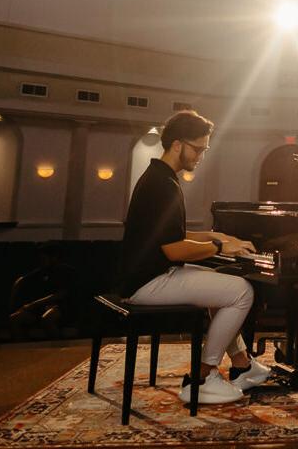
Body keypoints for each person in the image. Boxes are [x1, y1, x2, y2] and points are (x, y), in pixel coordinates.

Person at [117, 110, 270, 404]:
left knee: (221, 284)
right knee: (241, 292)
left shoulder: (159, 178)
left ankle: (243, 366)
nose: (200, 155)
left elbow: (174, 234)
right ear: (178, 145)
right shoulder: (162, 186)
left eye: (204, 149)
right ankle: (201, 378)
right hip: (147, 282)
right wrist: (219, 247)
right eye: (198, 148)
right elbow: (173, 249)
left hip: (151, 274)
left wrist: (223, 237)